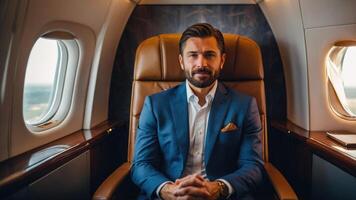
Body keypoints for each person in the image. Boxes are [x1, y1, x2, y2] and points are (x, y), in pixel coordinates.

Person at [131, 23, 263, 200]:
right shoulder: (155, 105)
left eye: (210, 55)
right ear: (181, 61)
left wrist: (219, 188)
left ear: (222, 60)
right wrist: (168, 190)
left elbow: (252, 165)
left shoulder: (244, 105)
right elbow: (141, 164)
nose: (201, 63)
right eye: (193, 55)